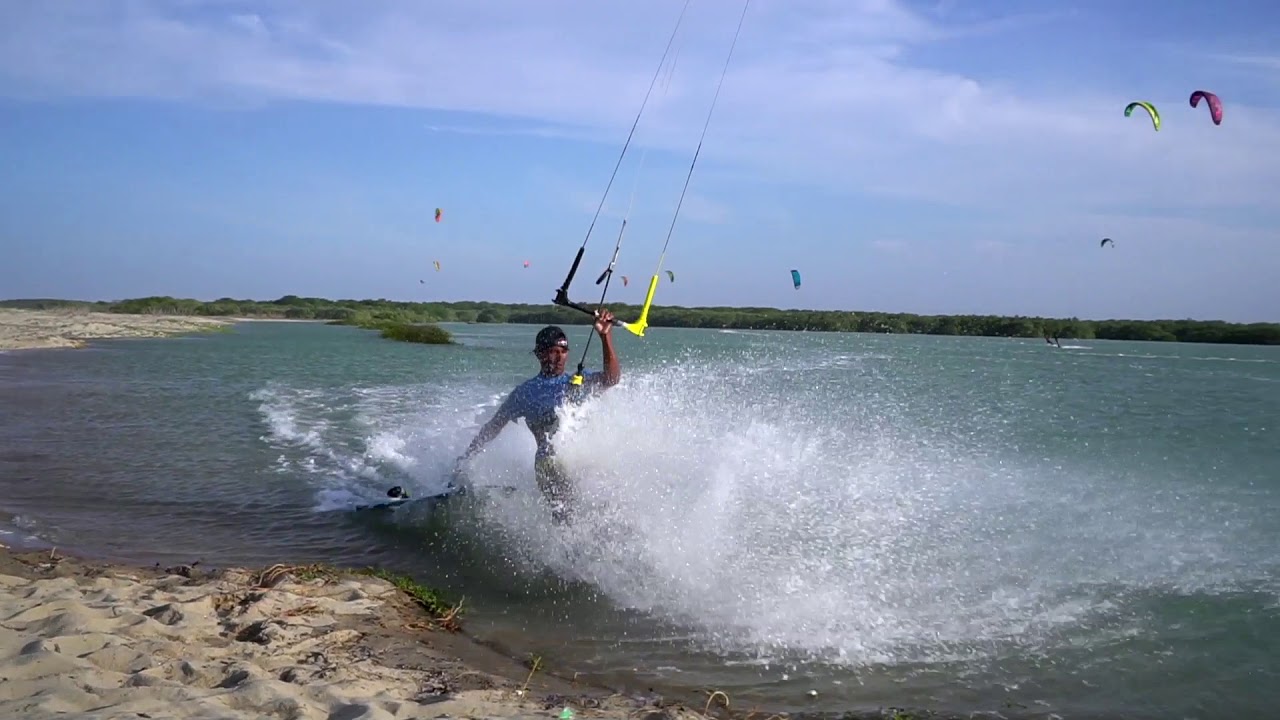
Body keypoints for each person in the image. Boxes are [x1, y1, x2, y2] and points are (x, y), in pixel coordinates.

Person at [454, 310, 621, 522]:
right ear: (540, 354)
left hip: (580, 460)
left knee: (604, 503)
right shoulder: (526, 392)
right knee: (567, 515)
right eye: (553, 351)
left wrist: (605, 336)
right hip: (548, 464)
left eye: (563, 350)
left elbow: (611, 379)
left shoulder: (579, 380)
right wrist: (467, 457)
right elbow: (494, 426)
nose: (560, 356)